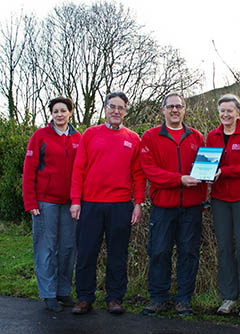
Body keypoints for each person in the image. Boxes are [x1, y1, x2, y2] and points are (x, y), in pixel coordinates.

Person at [70, 92, 146, 315]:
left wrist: (138, 203)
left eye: (120, 107)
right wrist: (76, 201)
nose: (116, 111)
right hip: (90, 204)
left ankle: (114, 298)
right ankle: (84, 297)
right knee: (86, 253)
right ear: (104, 108)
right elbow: (78, 169)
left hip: (121, 205)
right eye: (112, 106)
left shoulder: (133, 138)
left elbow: (139, 174)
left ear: (126, 111)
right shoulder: (90, 134)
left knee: (117, 254)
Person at [140, 92, 207, 316]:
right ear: (163, 110)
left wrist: (207, 180)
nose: (175, 110)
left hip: (191, 207)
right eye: (170, 107)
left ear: (185, 109)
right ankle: (159, 298)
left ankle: (183, 299)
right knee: (159, 252)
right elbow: (151, 171)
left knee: (189, 253)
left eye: (179, 106)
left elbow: (205, 169)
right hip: (163, 207)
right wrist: (179, 179)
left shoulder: (196, 137)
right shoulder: (150, 137)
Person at [22, 97, 81, 312]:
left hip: (69, 203)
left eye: (63, 110)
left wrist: (78, 200)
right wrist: (30, 201)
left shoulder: (77, 138)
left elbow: (81, 170)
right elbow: (29, 170)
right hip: (45, 202)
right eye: (55, 111)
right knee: (46, 248)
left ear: (70, 113)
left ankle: (63, 291)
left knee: (67, 248)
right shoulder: (40, 136)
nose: (59, 114)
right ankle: (48, 294)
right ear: (51, 114)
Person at [206, 94, 240, 318]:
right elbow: (207, 162)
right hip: (220, 200)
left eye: (230, 110)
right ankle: (228, 297)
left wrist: (223, 172)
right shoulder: (212, 136)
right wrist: (205, 174)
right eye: (222, 111)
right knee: (224, 247)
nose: (225, 115)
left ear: (239, 112)